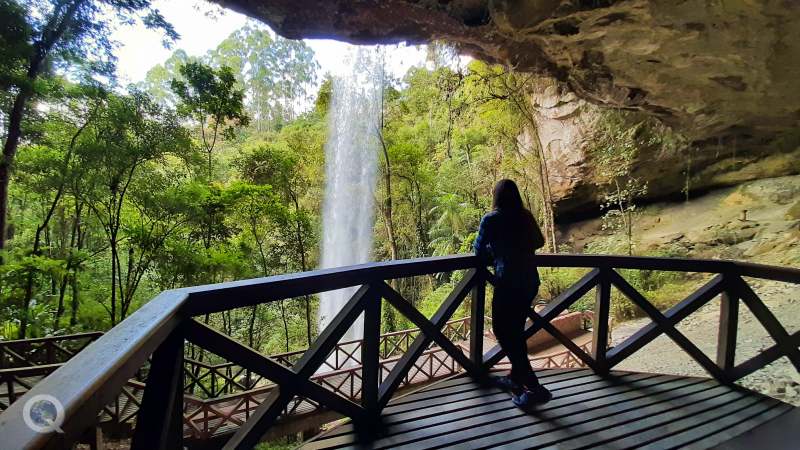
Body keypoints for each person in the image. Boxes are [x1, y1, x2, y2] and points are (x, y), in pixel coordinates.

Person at [473, 179, 552, 408]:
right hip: (529, 282)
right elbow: (539, 240)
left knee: (503, 330)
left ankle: (534, 387)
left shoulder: (491, 219)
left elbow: (479, 251)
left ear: (496, 196)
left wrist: (496, 250)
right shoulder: (524, 216)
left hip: (508, 282)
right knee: (515, 332)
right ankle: (516, 377)